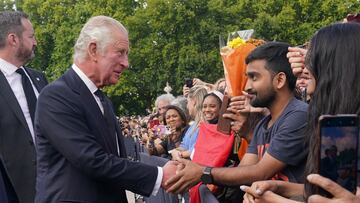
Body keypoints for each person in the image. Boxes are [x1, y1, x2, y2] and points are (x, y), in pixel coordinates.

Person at [34, 15, 178, 202]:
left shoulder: (102, 100)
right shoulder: (56, 96)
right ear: (93, 50)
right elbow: (92, 160)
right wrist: (159, 175)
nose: (126, 63)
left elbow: (114, 160)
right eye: (120, 52)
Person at [166, 42, 309, 194]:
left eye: (254, 78)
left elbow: (260, 172)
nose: (247, 87)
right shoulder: (264, 124)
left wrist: (202, 172)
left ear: (279, 80)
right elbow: (244, 172)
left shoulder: (298, 116)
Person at [241, 23, 360, 203]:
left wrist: (274, 200)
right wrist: (281, 188)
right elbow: (333, 191)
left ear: (334, 66)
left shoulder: (299, 115)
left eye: (312, 56)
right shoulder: (338, 124)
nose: (303, 65)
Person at [0, 11, 48, 203]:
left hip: (54, 188)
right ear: (13, 39)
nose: (35, 42)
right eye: (31, 36)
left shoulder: (39, 79)